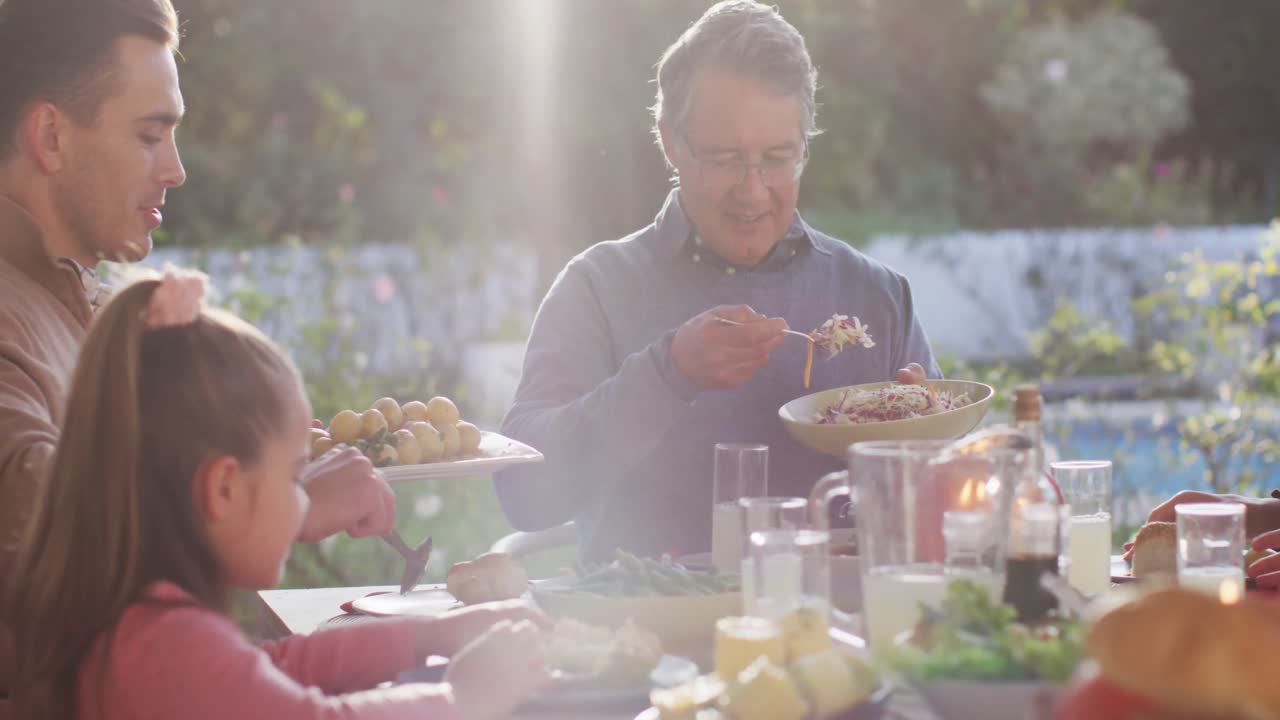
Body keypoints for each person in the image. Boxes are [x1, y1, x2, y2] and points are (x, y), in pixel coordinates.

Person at [0, 0, 395, 690]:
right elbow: (34, 520)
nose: (176, 169)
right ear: (51, 136)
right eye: (150, 136)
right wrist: (283, 501)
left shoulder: (94, 304)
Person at [496, 0, 939, 561]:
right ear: (671, 143)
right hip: (648, 637)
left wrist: (922, 452)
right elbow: (523, 493)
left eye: (778, 157)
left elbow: (947, 506)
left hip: (835, 633)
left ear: (805, 146)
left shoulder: (875, 296)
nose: (753, 191)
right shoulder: (598, 289)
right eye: (727, 159)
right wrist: (668, 372)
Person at [2, 269, 551, 720]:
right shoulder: (168, 648)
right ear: (221, 489)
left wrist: (430, 635)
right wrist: (465, 699)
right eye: (293, 477)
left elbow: (278, 665)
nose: (305, 499)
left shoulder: (135, 619)